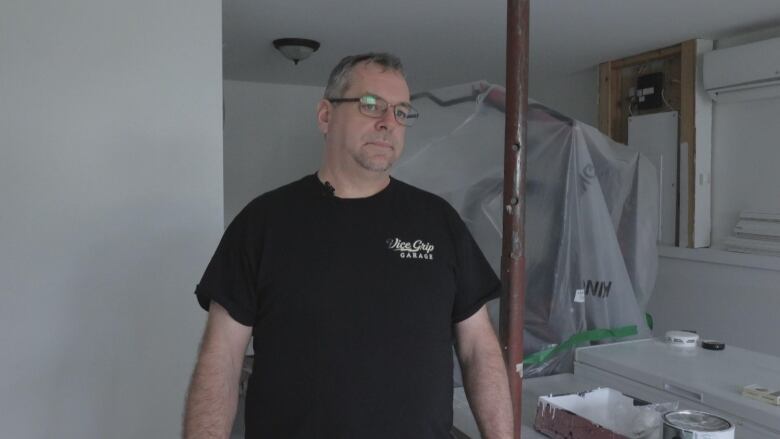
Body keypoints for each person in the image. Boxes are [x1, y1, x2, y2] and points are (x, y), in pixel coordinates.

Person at [183, 53, 513, 439]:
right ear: (326, 116)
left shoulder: (439, 222)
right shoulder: (264, 223)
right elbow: (222, 357)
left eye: (401, 111)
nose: (388, 123)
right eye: (371, 105)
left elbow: (479, 348)